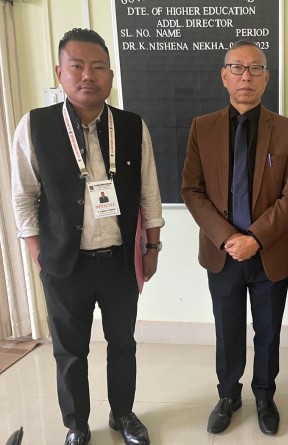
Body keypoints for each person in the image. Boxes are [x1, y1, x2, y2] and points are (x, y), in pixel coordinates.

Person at [11, 28, 165, 445]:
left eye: (98, 67)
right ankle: (76, 424)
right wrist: (40, 256)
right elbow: (23, 197)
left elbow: (150, 191)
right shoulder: (36, 125)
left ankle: (123, 414)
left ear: (110, 76)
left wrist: (152, 247)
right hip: (64, 264)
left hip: (119, 261)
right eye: (76, 66)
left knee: (123, 343)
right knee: (69, 350)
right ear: (59, 72)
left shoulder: (131, 126)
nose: (87, 76)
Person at [182, 40, 288, 436]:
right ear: (224, 75)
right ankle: (228, 395)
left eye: (255, 69)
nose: (246, 76)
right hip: (222, 254)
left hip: (269, 253)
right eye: (237, 67)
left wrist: (255, 237)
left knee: (268, 333)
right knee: (228, 329)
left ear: (266, 78)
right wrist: (227, 238)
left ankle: (265, 396)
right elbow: (192, 190)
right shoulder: (202, 128)